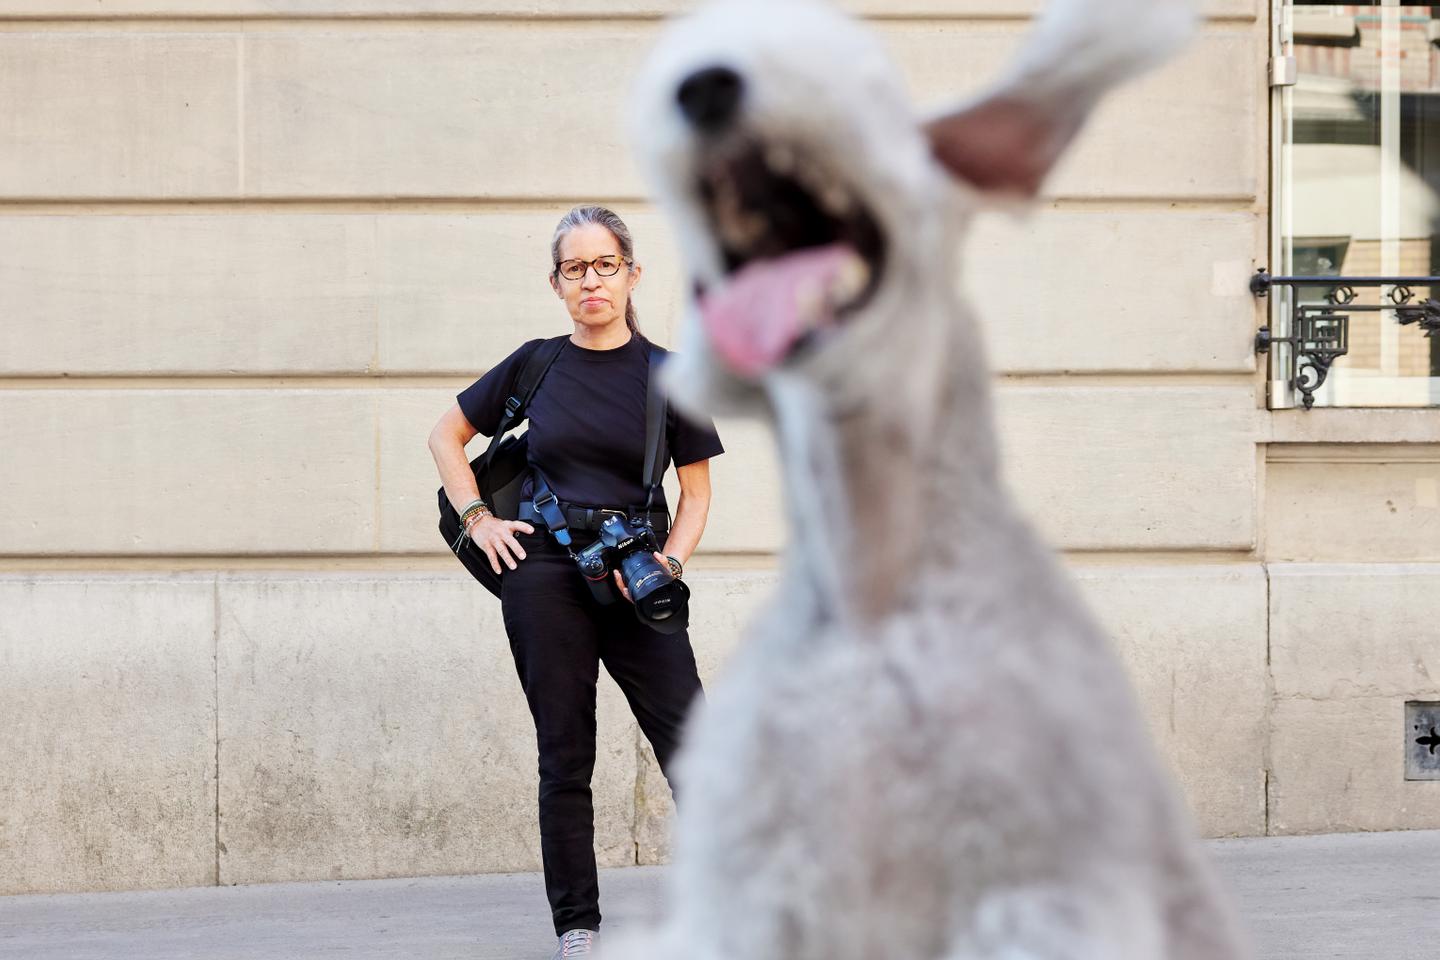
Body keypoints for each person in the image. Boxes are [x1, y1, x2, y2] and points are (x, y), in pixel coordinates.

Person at [427, 205, 723, 959]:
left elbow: (697, 494)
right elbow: (446, 435)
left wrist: (670, 563)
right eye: (574, 268)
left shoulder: (671, 377)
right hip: (545, 577)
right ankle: (578, 927)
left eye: (604, 265)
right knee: (565, 754)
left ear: (632, 274)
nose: (591, 281)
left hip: (636, 576)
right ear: (557, 284)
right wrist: (477, 519)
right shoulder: (537, 363)